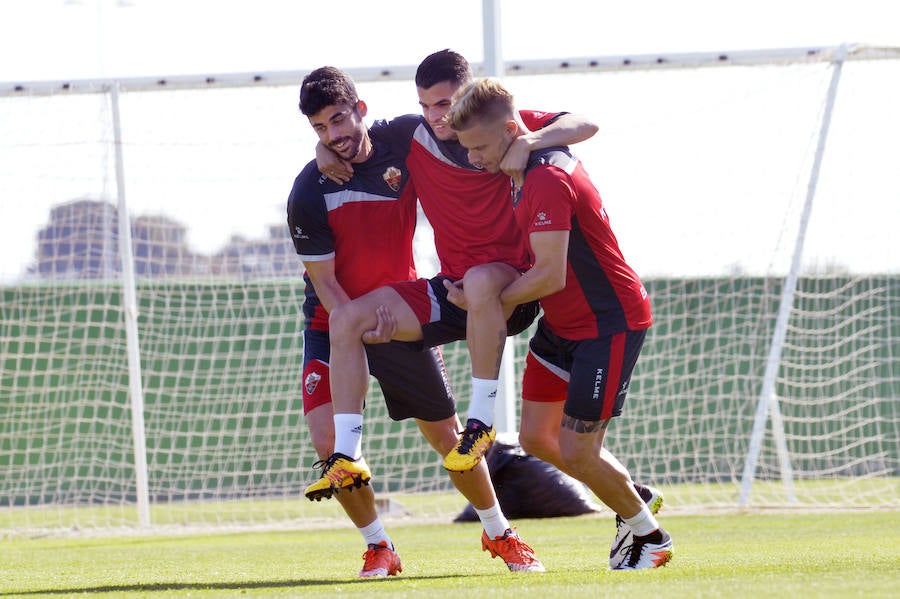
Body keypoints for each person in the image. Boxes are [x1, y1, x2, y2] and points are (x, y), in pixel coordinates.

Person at [303, 49, 596, 568]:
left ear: (360, 108)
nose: (437, 115)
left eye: (340, 118)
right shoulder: (316, 183)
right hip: (344, 319)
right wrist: (322, 151)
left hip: (414, 307)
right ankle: (375, 540)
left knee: (448, 438)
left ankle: (499, 532)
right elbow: (324, 284)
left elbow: (585, 122)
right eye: (321, 126)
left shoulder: (477, 133)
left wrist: (530, 140)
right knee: (329, 441)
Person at [444, 77, 674, 571]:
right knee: (536, 440)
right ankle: (633, 497)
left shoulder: (547, 176)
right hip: (561, 327)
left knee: (579, 449)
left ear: (511, 129)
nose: (473, 159)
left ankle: (650, 537)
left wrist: (483, 302)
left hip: (608, 323)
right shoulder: (527, 133)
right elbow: (573, 124)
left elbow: (548, 275)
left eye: (479, 147)